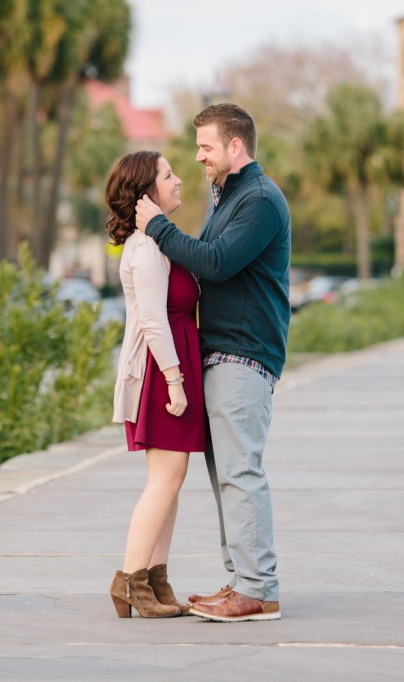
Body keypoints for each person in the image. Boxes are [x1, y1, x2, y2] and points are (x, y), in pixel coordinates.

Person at [135, 103, 290, 623]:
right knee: (226, 473)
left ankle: (258, 589)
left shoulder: (261, 200)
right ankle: (242, 582)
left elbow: (217, 263)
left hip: (244, 354)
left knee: (240, 472)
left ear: (235, 146)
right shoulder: (230, 196)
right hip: (219, 355)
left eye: (205, 146)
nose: (198, 156)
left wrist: (157, 227)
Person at [105, 151, 206, 619]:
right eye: (169, 175)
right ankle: (129, 580)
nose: (179, 180)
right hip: (161, 372)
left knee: (172, 480)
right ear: (148, 192)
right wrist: (175, 381)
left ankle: (156, 580)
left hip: (174, 366)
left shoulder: (158, 241)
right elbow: (151, 320)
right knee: (163, 480)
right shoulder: (145, 248)